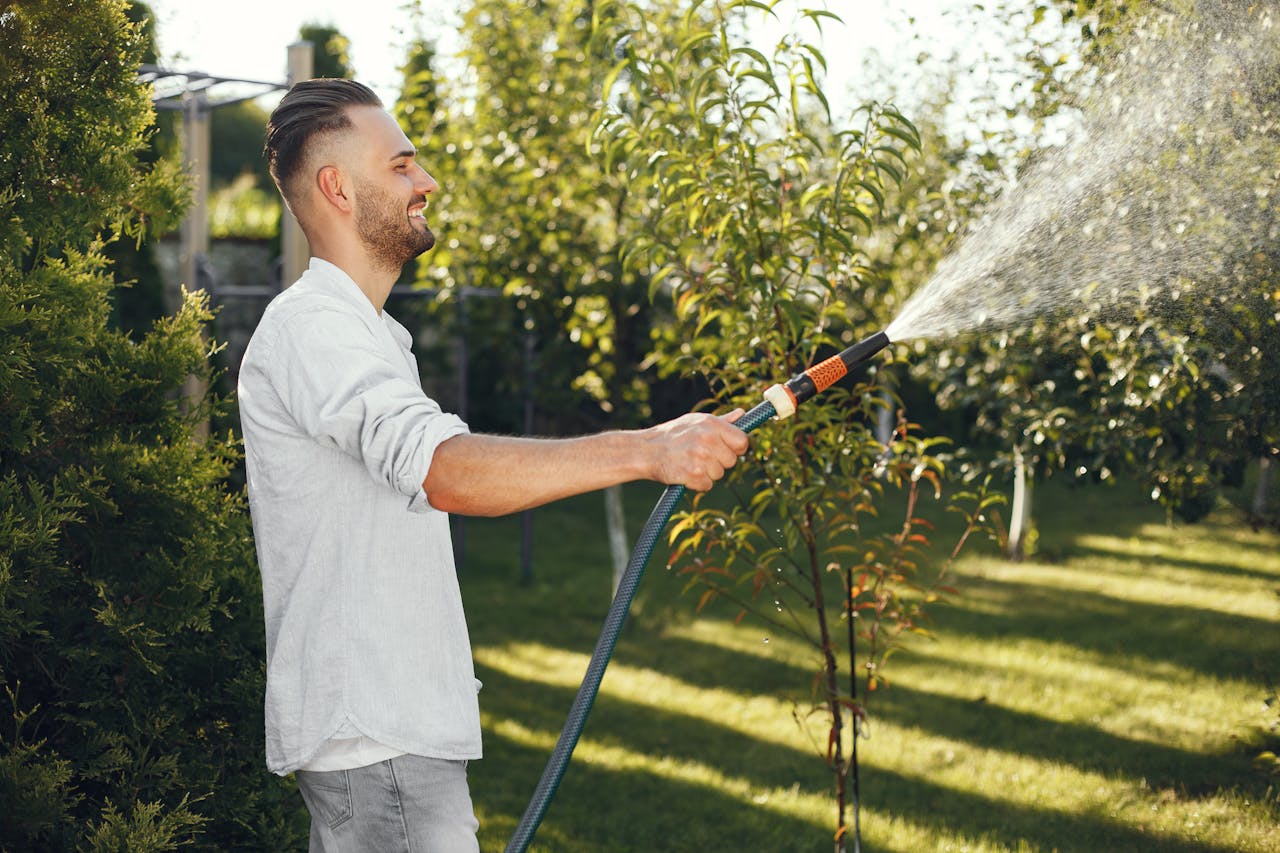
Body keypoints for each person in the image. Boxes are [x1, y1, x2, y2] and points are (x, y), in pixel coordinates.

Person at [238, 78, 749, 852]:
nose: (427, 182)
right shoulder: (314, 328)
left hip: (389, 739)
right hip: (379, 746)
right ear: (338, 188)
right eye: (402, 165)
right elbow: (445, 470)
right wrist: (648, 449)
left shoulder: (371, 337)